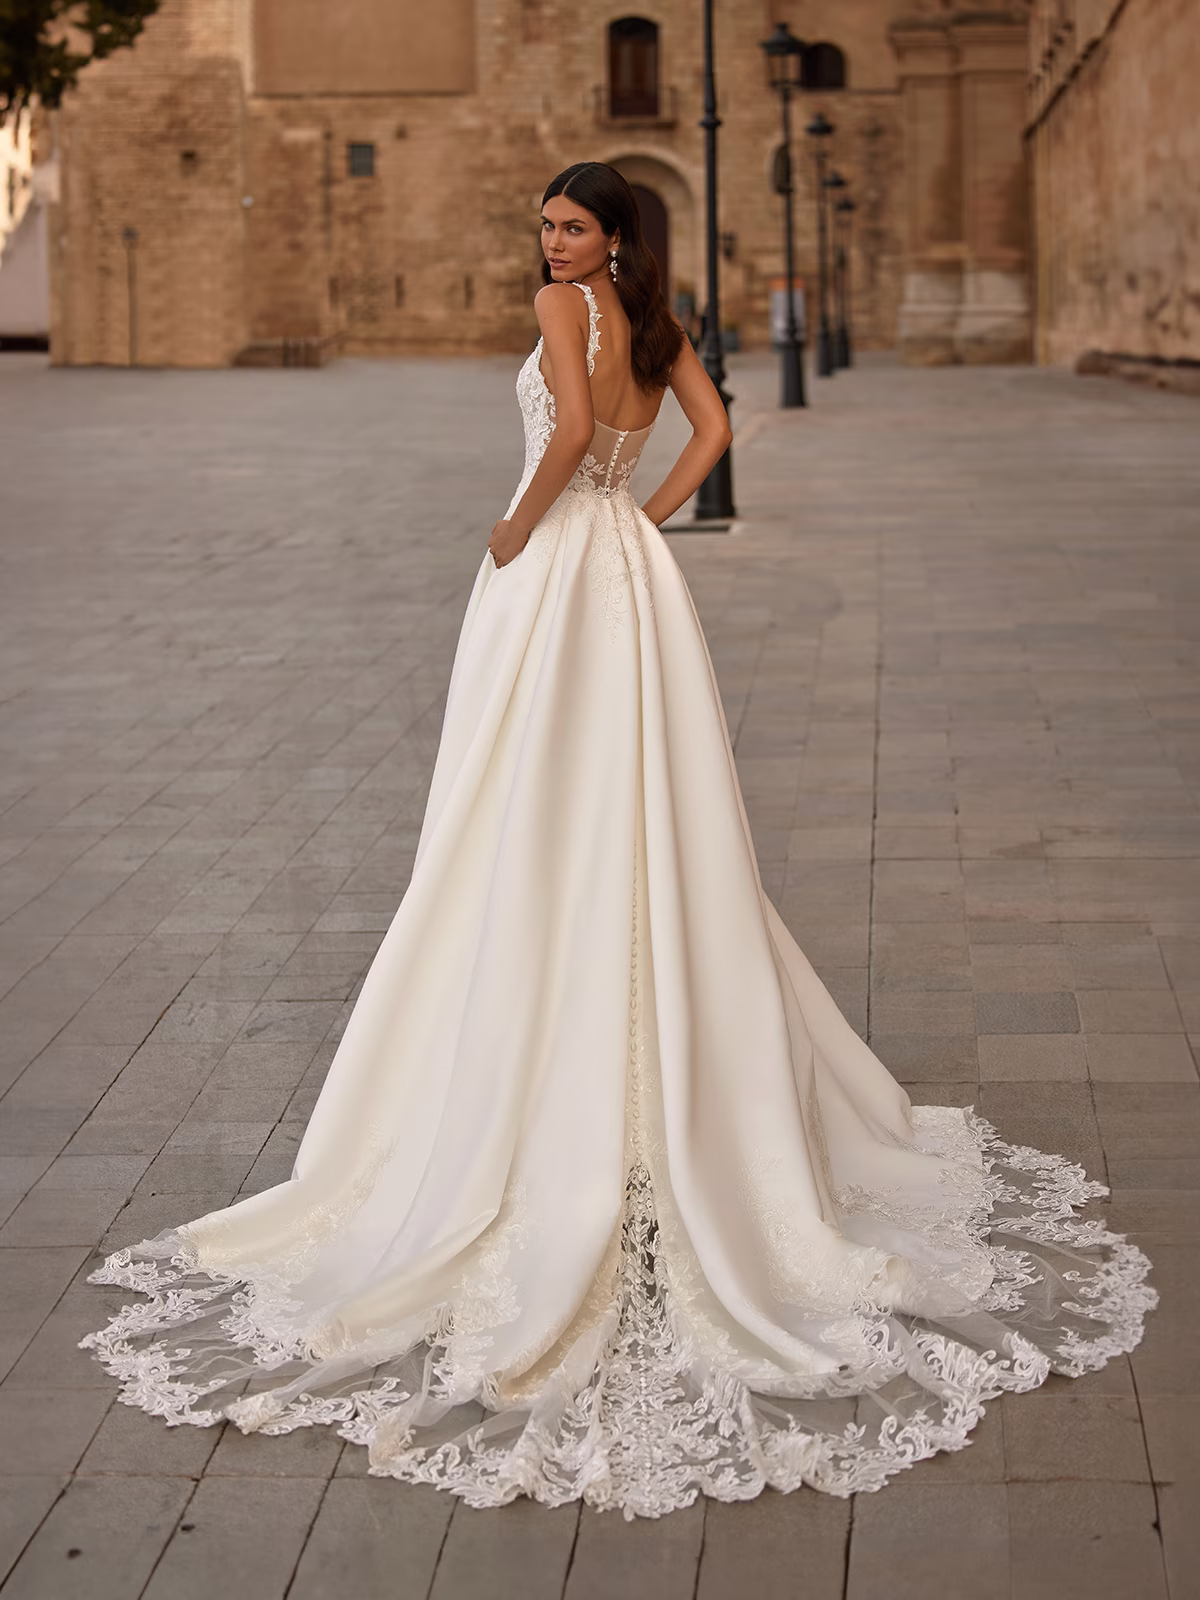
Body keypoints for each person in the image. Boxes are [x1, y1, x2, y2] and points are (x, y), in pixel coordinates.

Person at [83, 162, 1156, 1520]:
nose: (552, 243)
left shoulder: (560, 310)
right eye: (547, 225)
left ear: (608, 238)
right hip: (632, 578)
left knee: (520, 798)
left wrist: (526, 524)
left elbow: (572, 420)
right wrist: (634, 521)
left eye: (574, 227)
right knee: (640, 797)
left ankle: (554, 1009)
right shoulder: (660, 323)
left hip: (554, 574)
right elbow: (707, 434)